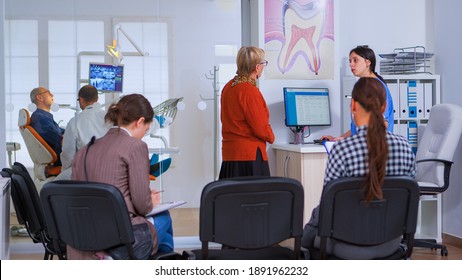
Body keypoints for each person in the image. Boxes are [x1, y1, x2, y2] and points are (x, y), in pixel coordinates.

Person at [302, 77, 416, 259]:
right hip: (390, 245)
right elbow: (409, 203)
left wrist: (304, 238)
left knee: (308, 240)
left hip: (346, 246)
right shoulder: (404, 146)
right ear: (384, 107)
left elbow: (327, 206)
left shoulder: (342, 149)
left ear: (353, 105)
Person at [70, 94, 174, 259]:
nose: (143, 134)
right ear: (140, 122)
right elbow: (142, 206)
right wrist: (150, 201)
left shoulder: (85, 150)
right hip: (119, 235)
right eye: (146, 129)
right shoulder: (136, 147)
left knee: (164, 239)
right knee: (164, 217)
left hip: (84, 237)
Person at [219, 46, 275, 179]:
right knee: (254, 198)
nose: (263, 67)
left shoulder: (228, 87)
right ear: (256, 67)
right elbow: (260, 128)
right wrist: (271, 137)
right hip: (249, 157)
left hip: (230, 156)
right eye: (263, 64)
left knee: (233, 198)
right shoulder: (250, 91)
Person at [321, 45, 394, 141]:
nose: (351, 64)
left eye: (355, 60)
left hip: (376, 148)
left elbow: (383, 124)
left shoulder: (377, 88)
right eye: (350, 61)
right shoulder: (363, 87)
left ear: (368, 62)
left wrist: (355, 142)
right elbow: (358, 127)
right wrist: (338, 139)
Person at [57, 85, 109, 180]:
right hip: (109, 170)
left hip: (85, 171)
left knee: (50, 187)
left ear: (81, 100)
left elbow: (68, 154)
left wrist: (65, 170)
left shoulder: (75, 121)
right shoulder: (109, 118)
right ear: (97, 98)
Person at [29, 87, 65, 166]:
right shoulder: (40, 118)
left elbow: (59, 131)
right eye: (48, 93)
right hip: (62, 161)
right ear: (39, 97)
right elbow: (59, 141)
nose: (52, 95)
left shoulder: (43, 117)